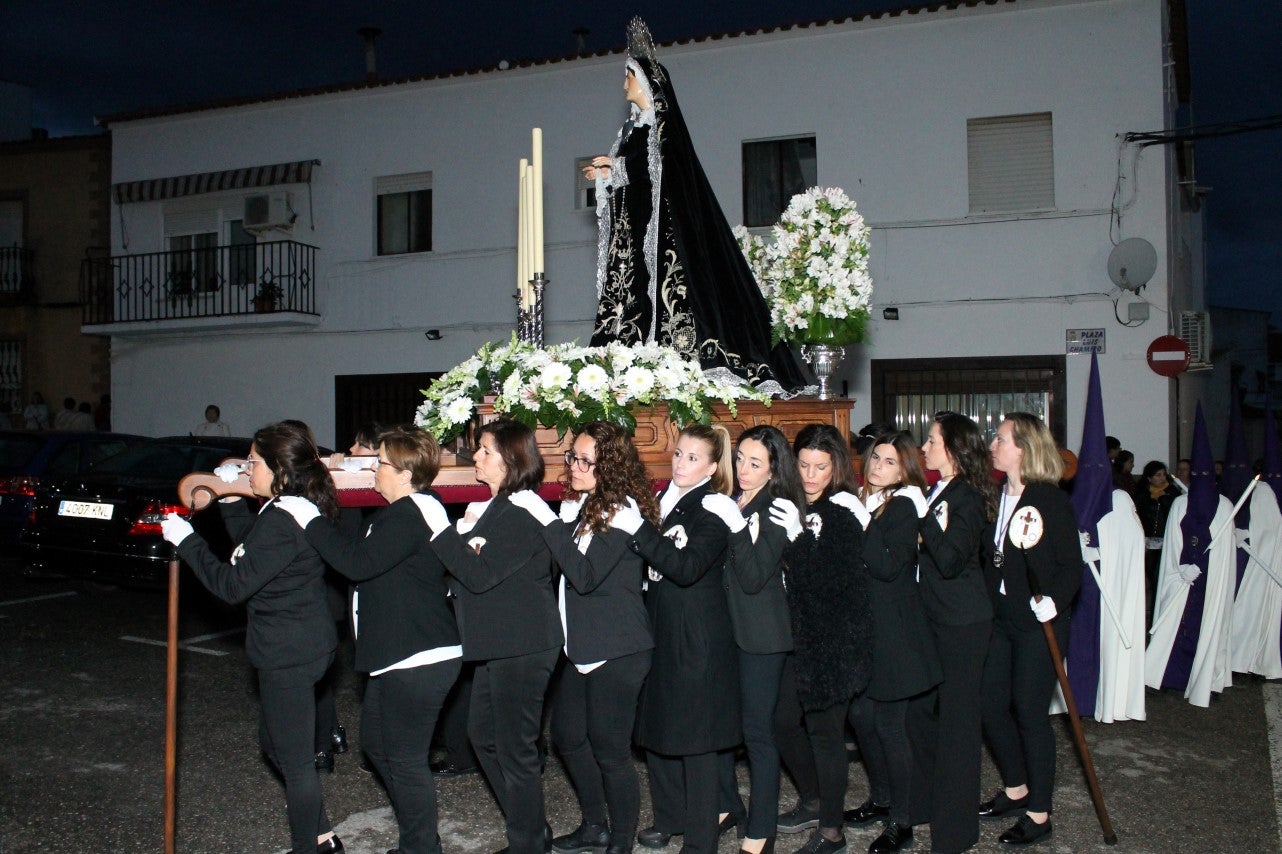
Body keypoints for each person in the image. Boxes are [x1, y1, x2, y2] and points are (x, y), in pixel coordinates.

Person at [584, 17, 809, 397]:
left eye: (629, 76)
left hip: (663, 232)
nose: (624, 84)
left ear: (647, 83)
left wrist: (615, 166)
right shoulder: (627, 132)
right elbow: (632, 175)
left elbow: (656, 166)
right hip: (635, 232)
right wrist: (605, 175)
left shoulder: (661, 129)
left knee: (678, 299)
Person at [160, 421, 344, 854]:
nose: (248, 469)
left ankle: (309, 846)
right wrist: (227, 497)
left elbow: (232, 585)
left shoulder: (284, 519)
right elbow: (250, 550)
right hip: (297, 644)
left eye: (254, 462)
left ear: (280, 471)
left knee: (296, 763)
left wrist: (188, 543)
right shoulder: (281, 510)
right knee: (275, 745)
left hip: (290, 652)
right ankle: (321, 835)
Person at [276, 426, 462, 854]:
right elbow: (356, 546)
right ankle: (420, 837)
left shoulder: (413, 512)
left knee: (405, 759)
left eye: (380, 462)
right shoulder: (395, 513)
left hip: (420, 654)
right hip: (397, 654)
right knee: (378, 747)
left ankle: (421, 848)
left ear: (404, 472)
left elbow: (354, 563)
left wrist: (308, 517)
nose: (374, 469)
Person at [411, 419, 562, 854]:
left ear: (511, 460)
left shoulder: (521, 510)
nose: (475, 456)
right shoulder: (498, 506)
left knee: (513, 748)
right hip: (500, 642)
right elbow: (476, 563)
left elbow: (479, 574)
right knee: (483, 737)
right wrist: (468, 539)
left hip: (525, 643)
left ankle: (529, 842)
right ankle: (530, 827)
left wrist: (445, 532)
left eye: (485, 450)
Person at [507, 421, 659, 854]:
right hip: (583, 648)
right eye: (573, 456)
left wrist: (547, 520)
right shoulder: (589, 505)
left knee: (611, 751)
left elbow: (585, 576)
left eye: (585, 461)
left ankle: (622, 841)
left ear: (608, 466)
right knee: (569, 738)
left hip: (620, 647)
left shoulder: (621, 509)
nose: (573, 465)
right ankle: (596, 825)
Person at [619, 423, 741, 854]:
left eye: (693, 457)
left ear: (711, 466)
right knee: (658, 729)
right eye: (678, 454)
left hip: (697, 636)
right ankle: (670, 816)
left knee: (696, 740)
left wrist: (638, 531)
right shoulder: (661, 501)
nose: (681, 463)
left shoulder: (713, 508)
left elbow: (687, 568)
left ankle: (701, 838)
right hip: (659, 627)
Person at [978, 412, 1082, 847]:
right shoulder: (996, 495)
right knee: (991, 705)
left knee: (1029, 712)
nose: (992, 446)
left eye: (999, 440)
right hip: (1002, 618)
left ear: (1023, 447)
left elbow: (1070, 567)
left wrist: (1053, 601)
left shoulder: (1048, 500)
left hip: (1038, 624)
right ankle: (1016, 788)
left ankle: (1039, 813)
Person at [705, 425, 805, 854]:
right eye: (740, 458)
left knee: (758, 734)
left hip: (764, 635)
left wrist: (733, 525)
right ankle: (728, 805)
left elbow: (752, 576)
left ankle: (761, 829)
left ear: (774, 469)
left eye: (755, 463)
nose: (743, 469)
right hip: (729, 631)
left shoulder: (777, 507)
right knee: (723, 723)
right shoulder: (735, 499)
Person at [773, 424, 872, 854]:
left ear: (837, 469)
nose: (811, 475)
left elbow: (825, 581)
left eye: (821, 467)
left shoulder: (844, 509)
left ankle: (832, 831)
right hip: (802, 638)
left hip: (836, 641)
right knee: (781, 721)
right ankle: (814, 800)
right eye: (804, 465)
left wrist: (796, 536)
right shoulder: (795, 503)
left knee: (826, 735)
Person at [843, 433, 937, 854]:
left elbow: (885, 566)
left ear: (905, 470)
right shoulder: (869, 499)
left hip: (897, 634)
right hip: (867, 630)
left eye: (889, 462)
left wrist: (860, 523)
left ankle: (903, 820)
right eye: (875, 458)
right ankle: (882, 798)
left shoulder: (904, 506)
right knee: (862, 716)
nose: (876, 466)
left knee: (889, 727)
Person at [913, 412, 996, 854]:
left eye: (931, 440)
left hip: (963, 623)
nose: (924, 448)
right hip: (933, 620)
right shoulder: (938, 489)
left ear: (953, 448)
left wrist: (919, 515)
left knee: (959, 727)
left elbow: (948, 560)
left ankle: (956, 831)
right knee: (918, 716)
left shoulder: (966, 496)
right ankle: (927, 803)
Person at [1145, 406, 1236, 708]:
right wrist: (1180, 570)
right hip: (1182, 578)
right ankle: (1167, 676)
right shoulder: (1180, 504)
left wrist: (1204, 568)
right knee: (1175, 624)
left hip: (1209, 583)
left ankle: (1204, 679)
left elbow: (1223, 552)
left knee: (1205, 625)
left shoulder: (1224, 507)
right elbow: (1173, 544)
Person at [1132, 461, 1179, 621]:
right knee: (1149, 576)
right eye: (1158, 475)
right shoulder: (1142, 494)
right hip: (1147, 541)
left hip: (1165, 540)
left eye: (1163, 474)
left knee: (1161, 576)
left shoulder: (1172, 493)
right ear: (1149, 478)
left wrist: (1164, 499)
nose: (1162, 478)